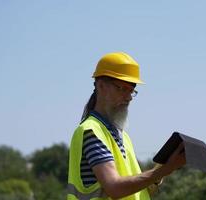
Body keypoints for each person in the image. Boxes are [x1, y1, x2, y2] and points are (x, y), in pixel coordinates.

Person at [67, 52, 186, 200]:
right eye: (122, 88)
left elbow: (135, 191)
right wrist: (165, 170)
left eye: (131, 90)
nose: (129, 97)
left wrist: (159, 172)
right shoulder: (91, 131)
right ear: (101, 86)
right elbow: (115, 188)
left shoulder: (123, 137)